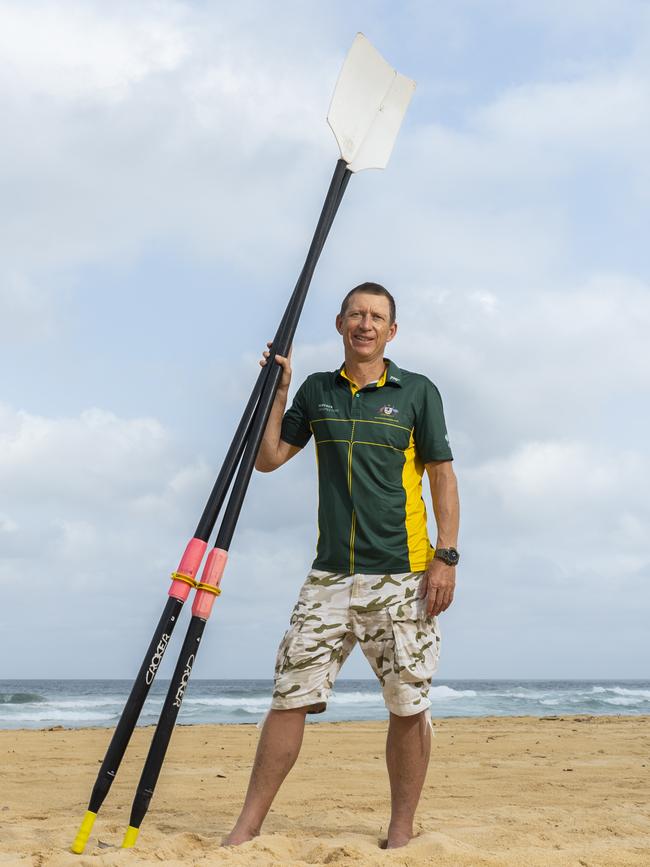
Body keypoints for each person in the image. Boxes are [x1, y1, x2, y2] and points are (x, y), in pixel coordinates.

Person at [223, 282, 459, 849]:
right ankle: (246, 828)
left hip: (402, 575)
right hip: (330, 575)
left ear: (392, 331)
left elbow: (442, 476)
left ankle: (400, 831)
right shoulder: (317, 391)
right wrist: (278, 391)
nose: (366, 324)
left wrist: (445, 557)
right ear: (339, 323)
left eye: (377, 316)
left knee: (408, 703)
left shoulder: (417, 393)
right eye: (356, 313)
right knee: (290, 695)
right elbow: (269, 458)